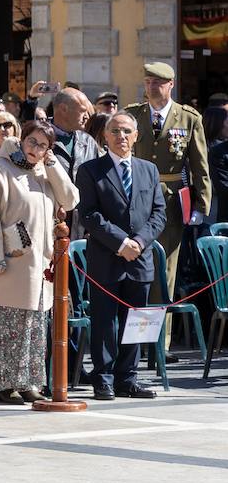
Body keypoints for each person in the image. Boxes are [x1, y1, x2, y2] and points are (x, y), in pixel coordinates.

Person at [0, 121, 79, 403]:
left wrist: (53, 164)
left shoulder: (45, 172)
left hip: (40, 262)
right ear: (22, 140)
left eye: (43, 145)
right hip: (12, 259)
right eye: (32, 142)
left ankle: (31, 381)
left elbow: (70, 200)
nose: (36, 149)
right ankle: (6, 383)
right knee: (10, 323)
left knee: (35, 324)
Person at [76, 112, 166, 400]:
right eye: (115, 131)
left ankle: (128, 377)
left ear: (136, 136)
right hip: (106, 255)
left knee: (135, 319)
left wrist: (138, 241)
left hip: (140, 256)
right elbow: (89, 214)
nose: (121, 137)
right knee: (104, 320)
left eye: (127, 131)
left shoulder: (148, 170)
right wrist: (121, 242)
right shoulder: (90, 170)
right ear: (105, 135)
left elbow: (158, 212)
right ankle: (103, 378)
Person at [126, 62, 210, 306]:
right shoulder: (133, 114)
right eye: (148, 82)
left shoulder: (188, 118)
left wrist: (200, 205)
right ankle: (136, 337)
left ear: (171, 84)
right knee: (136, 263)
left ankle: (161, 339)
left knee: (166, 269)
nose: (151, 87)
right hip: (136, 197)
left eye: (158, 83)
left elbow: (199, 165)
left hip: (170, 200)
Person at [49, 88, 99, 240]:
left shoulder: (88, 141)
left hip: (82, 226)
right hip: (51, 224)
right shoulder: (40, 139)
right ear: (64, 109)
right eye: (82, 111)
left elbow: (97, 183)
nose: (87, 116)